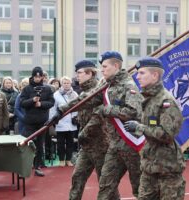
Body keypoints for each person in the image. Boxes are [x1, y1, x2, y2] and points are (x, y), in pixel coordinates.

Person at [57, 51, 143, 199]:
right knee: (105, 186)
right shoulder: (106, 86)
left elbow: (134, 111)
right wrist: (62, 110)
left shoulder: (128, 85)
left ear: (116, 66)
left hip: (131, 144)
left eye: (104, 66)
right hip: (114, 146)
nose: (101, 70)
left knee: (140, 188)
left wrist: (108, 109)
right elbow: (86, 100)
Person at [123, 57, 186, 200]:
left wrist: (139, 127)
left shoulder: (166, 101)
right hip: (149, 166)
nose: (137, 76)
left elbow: (167, 134)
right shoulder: (148, 98)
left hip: (167, 168)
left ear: (155, 75)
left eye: (142, 73)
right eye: (138, 73)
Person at [66, 60, 116, 200]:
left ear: (90, 73)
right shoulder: (84, 90)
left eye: (80, 73)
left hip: (101, 144)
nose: (77, 76)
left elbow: (98, 116)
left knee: (105, 183)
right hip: (86, 145)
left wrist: (83, 132)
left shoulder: (99, 90)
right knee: (77, 177)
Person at [20, 66, 54, 177]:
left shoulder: (48, 89)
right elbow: (22, 103)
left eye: (40, 76)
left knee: (40, 145)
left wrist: (41, 104)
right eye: (36, 76)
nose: (38, 78)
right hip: (29, 122)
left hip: (42, 122)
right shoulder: (27, 89)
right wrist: (32, 100)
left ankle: (38, 166)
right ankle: (24, 166)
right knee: (27, 143)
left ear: (42, 77)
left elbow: (51, 102)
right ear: (32, 76)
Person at [50, 76, 78, 167]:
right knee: (60, 143)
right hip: (60, 122)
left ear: (71, 84)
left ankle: (68, 159)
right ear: (61, 84)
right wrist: (53, 119)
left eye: (68, 83)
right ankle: (61, 159)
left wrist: (76, 118)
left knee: (70, 142)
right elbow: (53, 109)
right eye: (64, 83)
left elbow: (78, 107)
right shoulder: (56, 94)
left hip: (71, 122)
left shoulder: (75, 94)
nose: (66, 85)